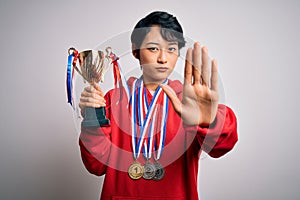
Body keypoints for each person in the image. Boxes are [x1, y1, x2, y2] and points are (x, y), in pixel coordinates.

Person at [78, 11, 238, 200]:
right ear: (135, 50)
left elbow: (221, 147)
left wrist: (210, 120)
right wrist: (93, 116)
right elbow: (96, 166)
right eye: (154, 48)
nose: (163, 58)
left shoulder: (188, 101)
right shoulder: (115, 99)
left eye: (171, 49)